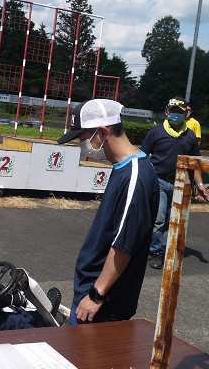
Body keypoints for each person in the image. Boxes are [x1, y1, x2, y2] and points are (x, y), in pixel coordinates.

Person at [57, 99, 159, 324]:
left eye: (83, 138)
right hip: (91, 292)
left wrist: (96, 294)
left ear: (103, 132)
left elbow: (124, 245)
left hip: (102, 302)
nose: (83, 146)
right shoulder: (123, 167)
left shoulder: (135, 176)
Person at [141, 96, 208, 270]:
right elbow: (142, 156)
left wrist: (200, 185)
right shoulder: (155, 133)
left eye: (180, 112)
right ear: (166, 112)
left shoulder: (190, 136)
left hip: (181, 184)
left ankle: (149, 239)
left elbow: (195, 164)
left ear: (185, 114)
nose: (176, 115)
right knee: (159, 218)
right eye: (173, 111)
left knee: (171, 219)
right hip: (158, 180)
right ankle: (155, 251)